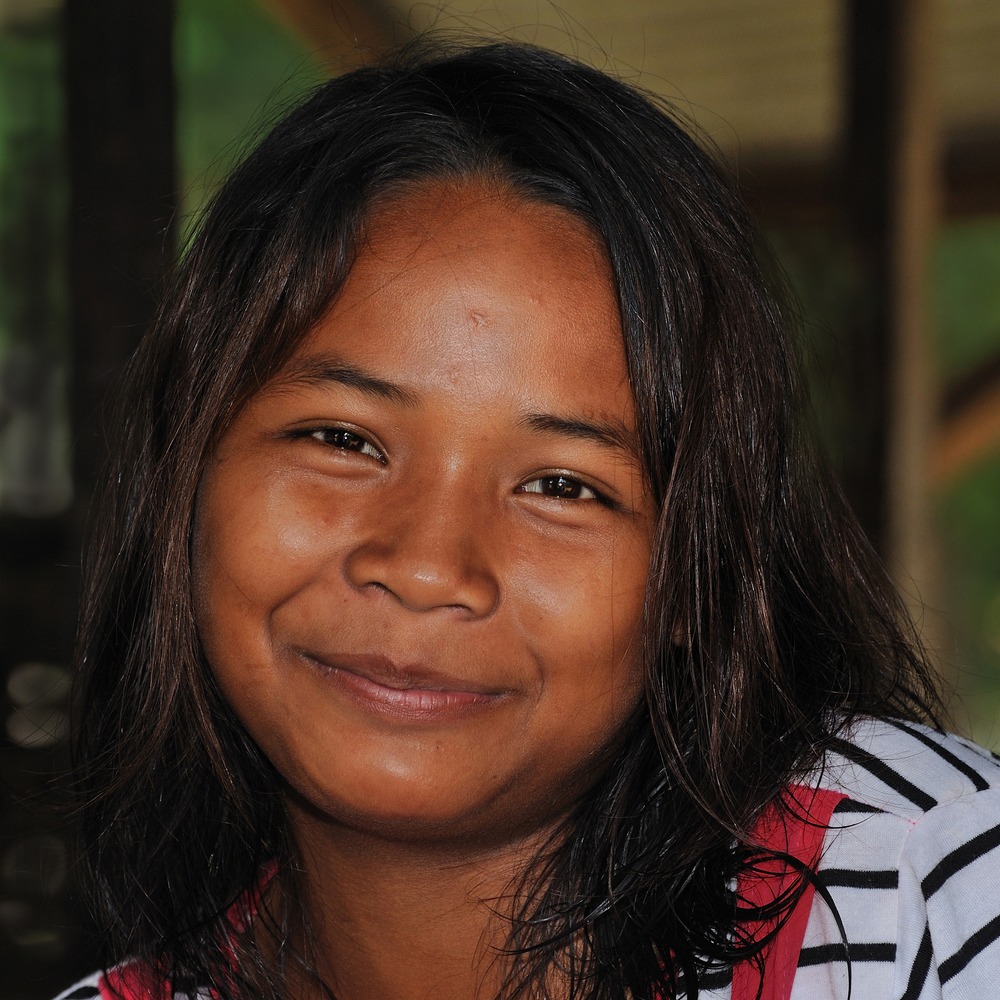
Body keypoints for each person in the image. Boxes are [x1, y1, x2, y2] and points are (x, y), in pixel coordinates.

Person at [56, 41, 1000, 1000]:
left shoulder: (926, 896)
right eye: (343, 438)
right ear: (187, 477)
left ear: (695, 577)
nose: (426, 567)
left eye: (563, 487)